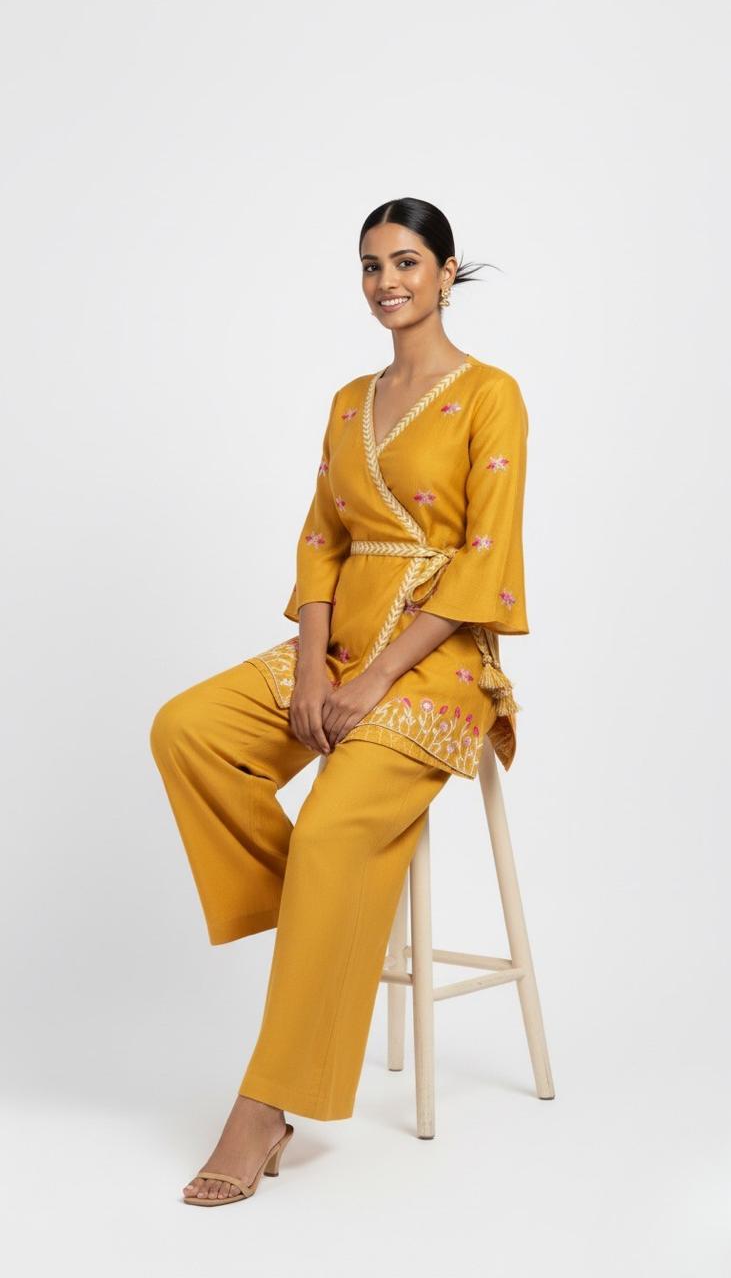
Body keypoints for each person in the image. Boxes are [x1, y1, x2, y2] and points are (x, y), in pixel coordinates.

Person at [149, 196, 530, 1206]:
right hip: (339, 642)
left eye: (405, 262)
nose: (385, 281)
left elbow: (484, 560)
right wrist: (318, 671)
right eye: (370, 265)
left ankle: (264, 1105)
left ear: (445, 272)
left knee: (326, 831)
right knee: (187, 729)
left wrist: (372, 680)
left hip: (436, 664)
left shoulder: (490, 394)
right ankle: (324, 916)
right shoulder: (349, 398)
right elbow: (321, 538)